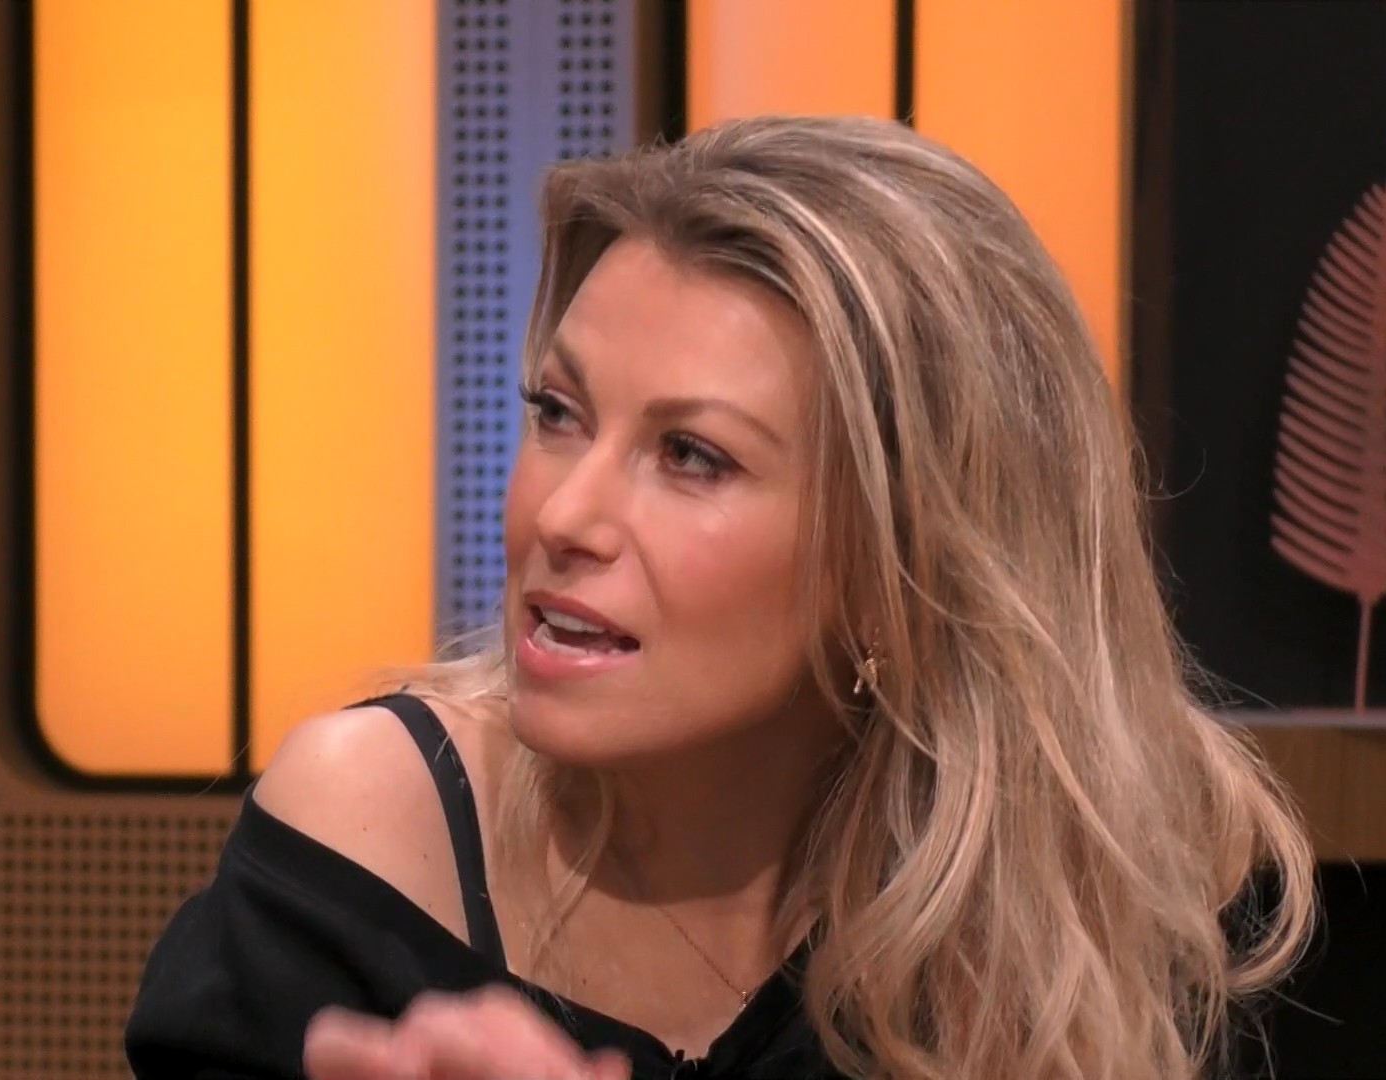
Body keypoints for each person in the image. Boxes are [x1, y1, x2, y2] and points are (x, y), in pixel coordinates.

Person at [123, 114, 1315, 1080]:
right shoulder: (376, 830)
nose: (563, 515)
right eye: (558, 413)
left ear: (904, 567)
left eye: (691, 456)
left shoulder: (1100, 905)